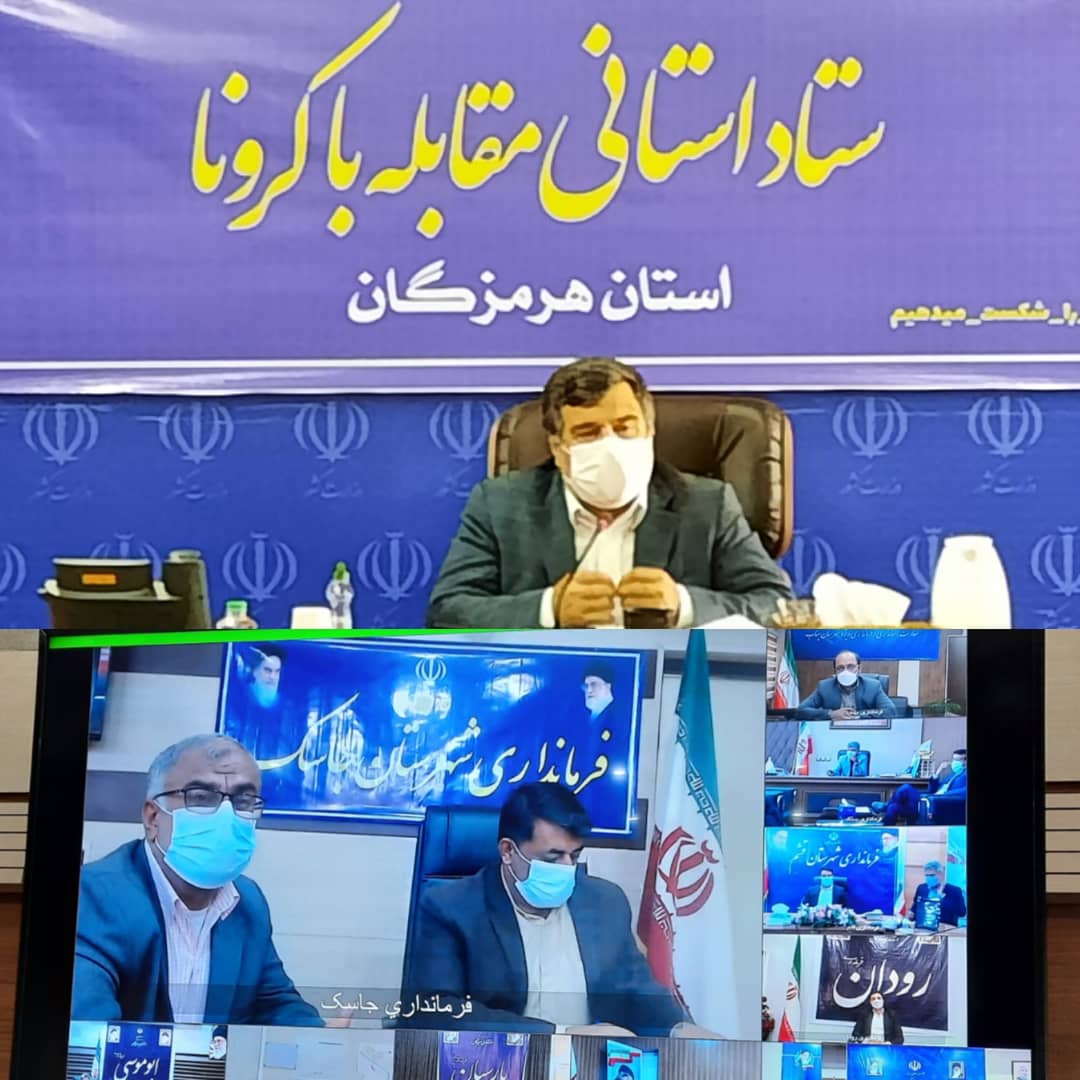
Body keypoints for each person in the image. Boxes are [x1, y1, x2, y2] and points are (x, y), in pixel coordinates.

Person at [426, 357, 793, 629]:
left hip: (670, 691)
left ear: (650, 430)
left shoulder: (707, 505)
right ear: (557, 447)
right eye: (588, 433)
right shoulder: (500, 504)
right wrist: (549, 609)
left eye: (624, 427)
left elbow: (776, 605)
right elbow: (447, 612)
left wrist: (684, 606)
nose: (611, 445)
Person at [406, 782, 717, 1036]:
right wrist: (561, 1033)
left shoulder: (605, 902)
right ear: (508, 851)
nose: (567, 868)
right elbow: (438, 1011)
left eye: (575, 855)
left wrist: (677, 1028)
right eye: (552, 858)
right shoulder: (451, 907)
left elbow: (634, 989)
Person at [72, 734, 322, 1026]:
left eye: (243, 800)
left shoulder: (248, 902)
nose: (226, 815)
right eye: (201, 797)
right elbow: (85, 1031)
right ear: (153, 818)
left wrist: (320, 1039)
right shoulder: (92, 896)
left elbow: (275, 1002)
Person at [796, 652, 896, 722]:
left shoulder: (873, 686)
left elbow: (890, 711)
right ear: (835, 671)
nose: (845, 671)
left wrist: (857, 715)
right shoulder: (824, 687)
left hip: (865, 732)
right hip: (834, 733)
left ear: (859, 669)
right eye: (840, 668)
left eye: (850, 667)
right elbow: (801, 711)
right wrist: (831, 714)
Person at [881, 749, 967, 826]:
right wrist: (938, 771)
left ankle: (885, 805)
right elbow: (932, 790)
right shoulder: (952, 775)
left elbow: (965, 791)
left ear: (965, 761)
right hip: (927, 801)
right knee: (893, 807)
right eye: (953, 759)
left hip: (936, 802)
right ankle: (885, 829)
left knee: (906, 788)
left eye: (957, 760)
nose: (954, 763)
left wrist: (944, 795)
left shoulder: (965, 774)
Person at [912, 860, 967, 926]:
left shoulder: (955, 891)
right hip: (923, 928)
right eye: (926, 875)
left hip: (946, 928)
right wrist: (911, 914)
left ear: (941, 874)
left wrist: (941, 899)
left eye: (932, 875)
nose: (928, 878)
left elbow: (962, 913)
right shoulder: (921, 888)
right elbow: (915, 908)